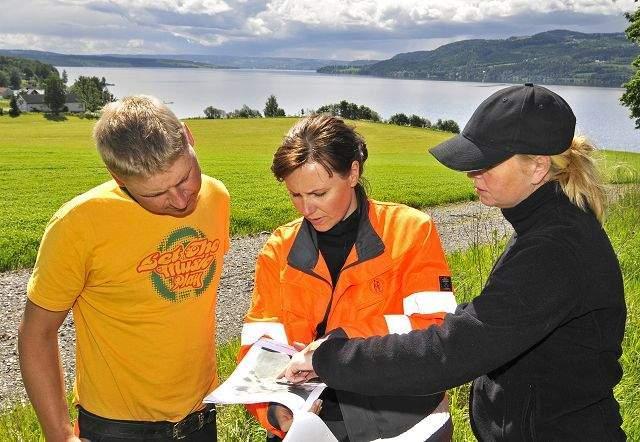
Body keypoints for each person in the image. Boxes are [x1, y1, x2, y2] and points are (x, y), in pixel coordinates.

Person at [283, 84, 627, 441]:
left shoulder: (554, 249)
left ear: (538, 167)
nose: (471, 175)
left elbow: (451, 352)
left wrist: (331, 358)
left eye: (485, 165)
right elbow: (490, 322)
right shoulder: (548, 225)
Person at [18, 95, 230, 441]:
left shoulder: (217, 198)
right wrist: (59, 434)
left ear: (189, 137)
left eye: (185, 178)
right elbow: (35, 334)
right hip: (117, 429)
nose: (179, 200)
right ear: (118, 177)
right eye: (156, 194)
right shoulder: (79, 224)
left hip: (201, 417)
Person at [238, 114, 456, 441]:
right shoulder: (278, 249)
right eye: (296, 196)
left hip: (403, 427)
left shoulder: (412, 231)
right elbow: (260, 342)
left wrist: (336, 344)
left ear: (352, 173)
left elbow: (434, 327)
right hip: (306, 427)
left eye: (318, 193)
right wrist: (272, 409)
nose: (306, 209)